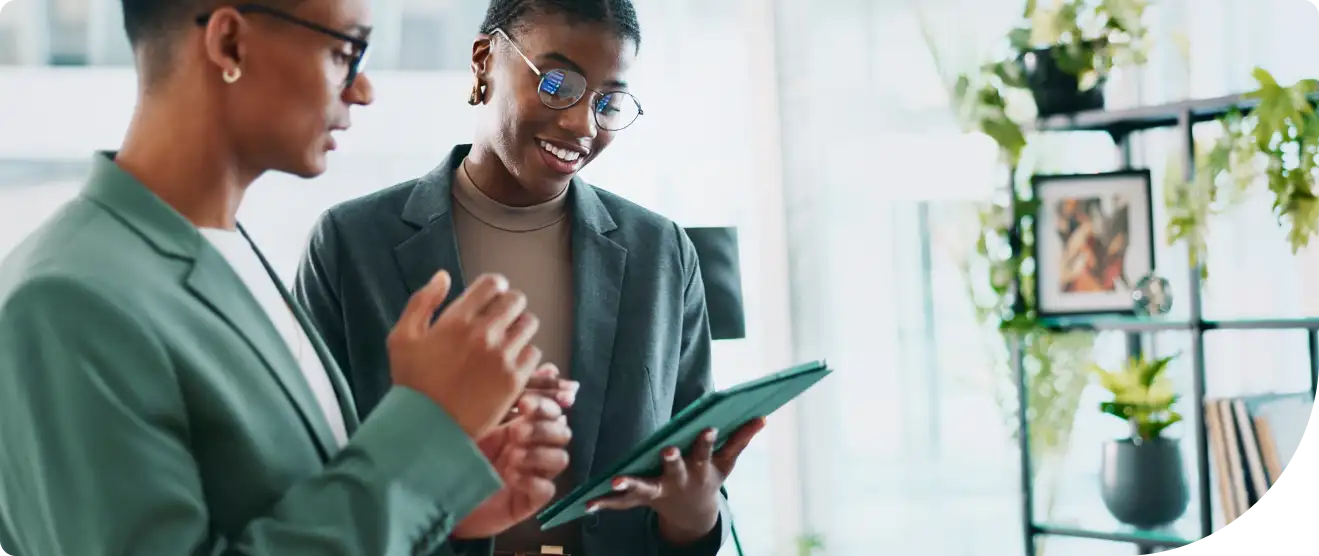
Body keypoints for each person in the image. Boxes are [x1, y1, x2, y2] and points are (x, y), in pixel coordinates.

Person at [0, 1, 573, 555]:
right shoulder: (67, 302)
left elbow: (280, 512)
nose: (363, 89)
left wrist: (441, 505)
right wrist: (426, 430)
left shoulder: (232, 253)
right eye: (347, 51)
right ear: (230, 42)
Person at [292, 0, 765, 554]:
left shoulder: (661, 253)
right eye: (558, 82)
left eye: (608, 100)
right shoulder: (352, 243)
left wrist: (694, 516)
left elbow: (690, 474)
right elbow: (308, 471)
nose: (581, 123)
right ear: (484, 61)